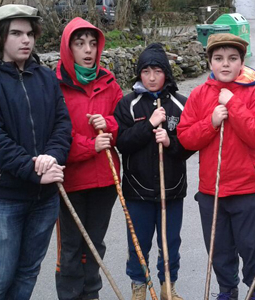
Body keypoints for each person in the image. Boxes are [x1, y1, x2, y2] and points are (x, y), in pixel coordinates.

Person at [0, 4, 71, 299]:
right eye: (16, 33)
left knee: (27, 272)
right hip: (5, 197)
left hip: (45, 197)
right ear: (0, 37)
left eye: (29, 33)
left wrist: (53, 156)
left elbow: (62, 124)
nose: (26, 40)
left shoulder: (46, 78)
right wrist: (35, 169)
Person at [177, 33, 255, 300]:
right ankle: (226, 290)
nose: (225, 64)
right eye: (218, 59)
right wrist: (211, 122)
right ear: (210, 63)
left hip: (248, 188)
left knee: (252, 247)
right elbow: (185, 138)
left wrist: (233, 103)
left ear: (242, 62)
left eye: (232, 58)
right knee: (219, 249)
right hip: (212, 190)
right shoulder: (198, 95)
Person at [114, 43, 190, 300]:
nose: (152, 77)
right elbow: (122, 143)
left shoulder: (181, 104)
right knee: (138, 244)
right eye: (146, 71)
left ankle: (169, 286)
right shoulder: (128, 105)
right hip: (138, 191)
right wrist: (149, 125)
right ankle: (138, 287)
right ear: (139, 75)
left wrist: (170, 142)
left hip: (172, 190)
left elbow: (189, 145)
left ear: (166, 73)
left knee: (170, 243)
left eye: (157, 70)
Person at [54, 17, 123, 300]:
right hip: (71, 181)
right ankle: (70, 295)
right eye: (80, 43)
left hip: (105, 179)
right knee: (71, 245)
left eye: (93, 44)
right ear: (68, 48)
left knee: (95, 243)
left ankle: (91, 293)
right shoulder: (54, 85)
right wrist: (89, 145)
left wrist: (107, 124)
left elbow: (121, 123)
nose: (88, 50)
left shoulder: (108, 81)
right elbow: (54, 136)